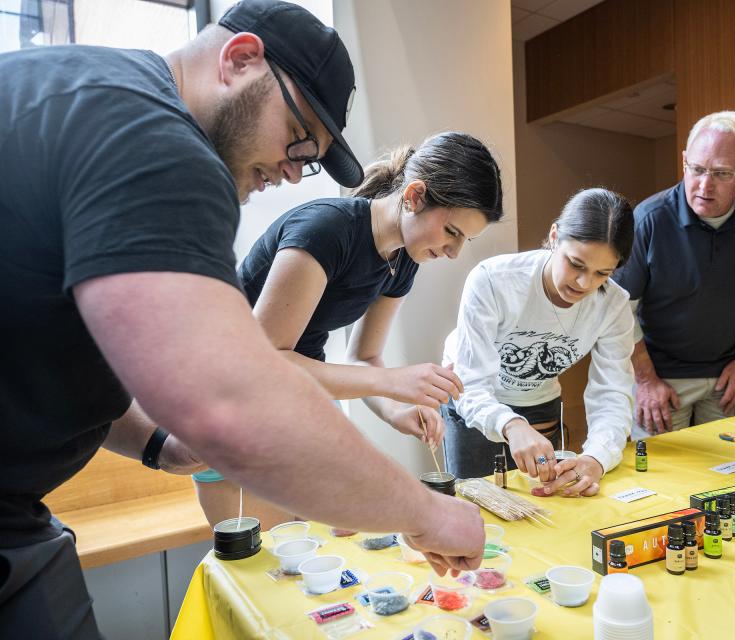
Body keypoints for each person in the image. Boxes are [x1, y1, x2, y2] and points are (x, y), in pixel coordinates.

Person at [0, 1, 483, 636]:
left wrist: (156, 441)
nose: (292, 169)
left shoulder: (87, 94)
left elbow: (55, 346)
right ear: (240, 59)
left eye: (308, 157)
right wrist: (427, 512)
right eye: (297, 136)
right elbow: (234, 399)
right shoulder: (159, 143)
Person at [196, 132, 504, 526]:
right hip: (230, 407)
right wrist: (392, 381)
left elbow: (363, 357)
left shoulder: (402, 260)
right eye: (452, 232)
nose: (454, 252)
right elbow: (265, 365)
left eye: (467, 240)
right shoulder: (326, 229)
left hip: (300, 402)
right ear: (414, 196)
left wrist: (397, 410)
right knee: (268, 567)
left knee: (326, 556)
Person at [613, 111, 735, 434]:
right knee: (663, 476)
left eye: (722, 173)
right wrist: (645, 380)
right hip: (661, 377)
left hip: (733, 374)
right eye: (697, 169)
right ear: (685, 160)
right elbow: (619, 310)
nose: (704, 185)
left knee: (733, 472)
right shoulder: (649, 220)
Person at [442, 188, 635, 497]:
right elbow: (472, 382)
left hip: (540, 405)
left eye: (603, 273)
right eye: (576, 264)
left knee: (547, 506)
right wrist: (512, 425)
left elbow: (613, 393)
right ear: (555, 236)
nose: (584, 283)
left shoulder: (613, 305)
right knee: (476, 508)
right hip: (474, 404)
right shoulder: (493, 280)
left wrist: (597, 458)